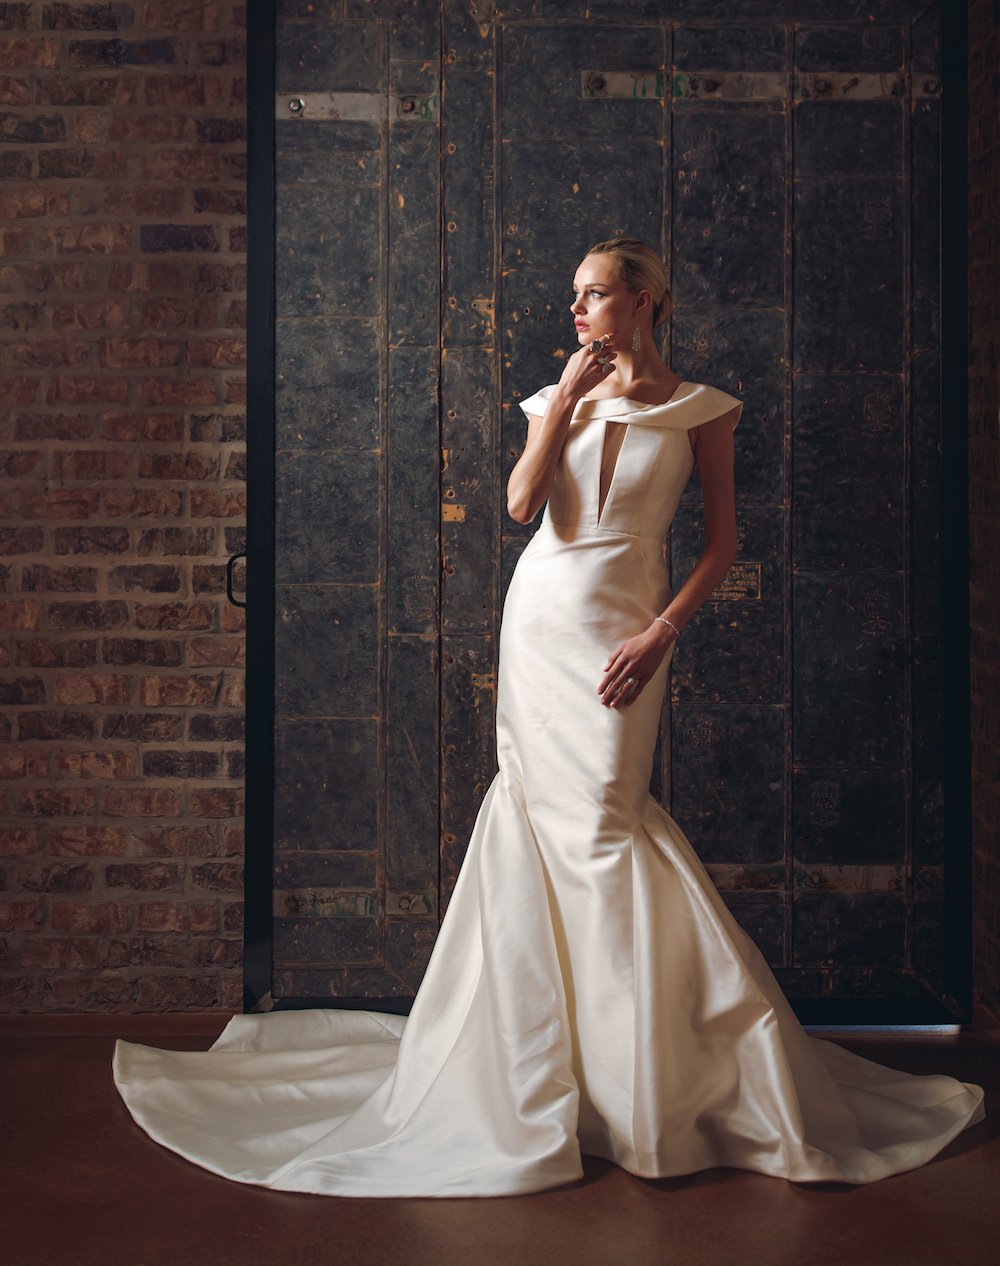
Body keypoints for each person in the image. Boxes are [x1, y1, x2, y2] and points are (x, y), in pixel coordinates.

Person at [113, 237, 986, 1198]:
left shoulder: (703, 409)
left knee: (606, 825)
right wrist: (564, 402)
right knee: (547, 823)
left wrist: (661, 635)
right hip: (541, 627)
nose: (576, 310)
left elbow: (724, 545)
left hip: (628, 630)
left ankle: (651, 1080)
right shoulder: (552, 397)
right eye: (573, 295)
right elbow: (525, 505)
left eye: (595, 294)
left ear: (645, 301)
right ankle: (564, 1081)